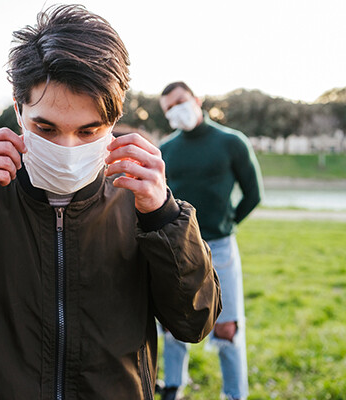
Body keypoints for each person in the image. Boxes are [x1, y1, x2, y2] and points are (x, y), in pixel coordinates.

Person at [0, 6, 222, 400]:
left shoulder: (139, 194)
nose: (67, 147)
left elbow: (195, 322)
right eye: (46, 128)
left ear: (115, 116)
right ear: (18, 107)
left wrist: (163, 215)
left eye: (88, 130)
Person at [158, 82, 263, 400]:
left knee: (227, 328)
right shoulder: (166, 150)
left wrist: (227, 223)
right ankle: (174, 386)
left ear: (196, 100)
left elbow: (253, 194)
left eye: (180, 102)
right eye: (169, 108)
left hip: (220, 246)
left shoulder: (232, 142)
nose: (177, 110)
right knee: (174, 323)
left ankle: (234, 394)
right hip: (179, 248)